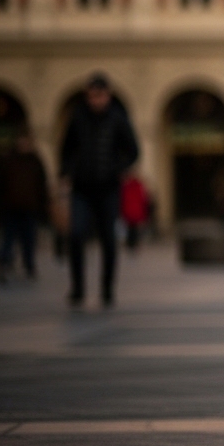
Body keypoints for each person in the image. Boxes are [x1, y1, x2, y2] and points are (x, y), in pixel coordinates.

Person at [60, 73, 140, 308]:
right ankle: (78, 288)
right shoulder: (78, 118)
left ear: (108, 95)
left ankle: (107, 288)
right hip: (81, 188)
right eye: (92, 95)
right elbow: (66, 149)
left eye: (100, 95)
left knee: (108, 239)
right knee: (76, 235)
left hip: (108, 189)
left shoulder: (117, 119)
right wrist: (66, 172)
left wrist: (119, 169)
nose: (96, 100)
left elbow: (133, 150)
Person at [0, 129, 51, 282]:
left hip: (30, 207)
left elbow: (41, 185)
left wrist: (44, 206)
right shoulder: (8, 160)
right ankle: (5, 262)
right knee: (9, 237)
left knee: (29, 238)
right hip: (11, 206)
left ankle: (29, 265)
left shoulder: (35, 161)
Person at [120, 174, 149, 251]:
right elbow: (144, 200)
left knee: (130, 228)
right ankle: (134, 243)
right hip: (136, 211)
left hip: (128, 211)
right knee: (134, 229)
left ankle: (130, 243)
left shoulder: (126, 186)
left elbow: (122, 199)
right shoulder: (139, 187)